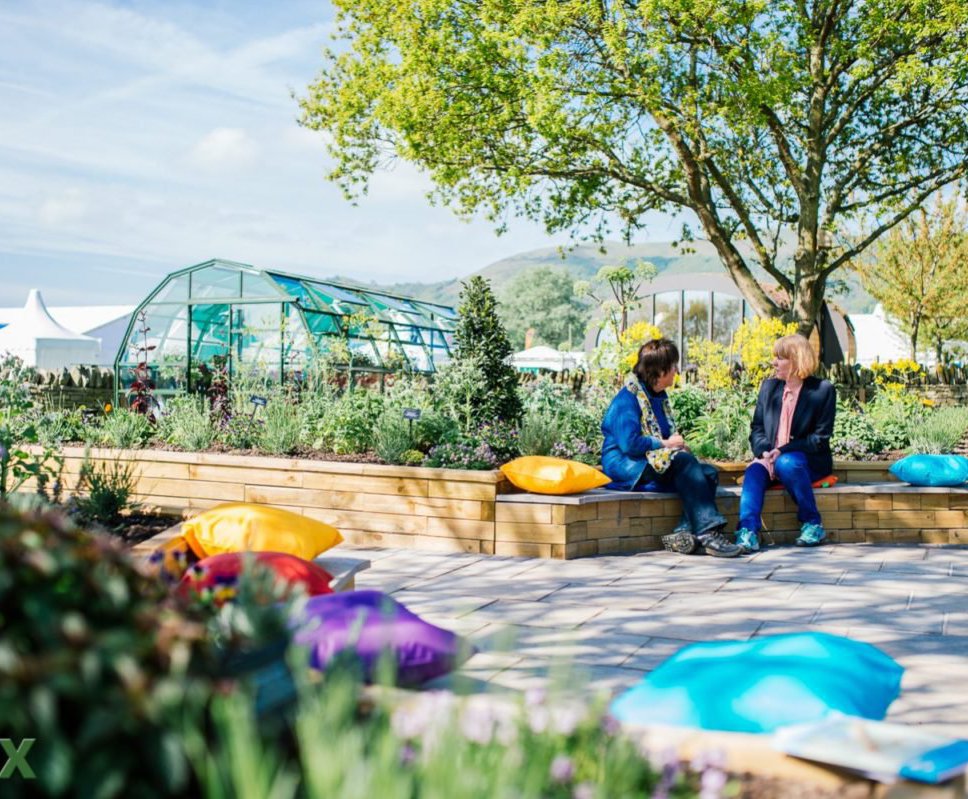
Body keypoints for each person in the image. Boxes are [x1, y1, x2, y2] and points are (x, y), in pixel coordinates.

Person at [601, 338, 742, 558]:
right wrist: (667, 445)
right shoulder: (627, 399)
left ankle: (682, 534)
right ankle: (707, 533)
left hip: (654, 461)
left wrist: (677, 448)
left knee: (708, 473)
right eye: (674, 366)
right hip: (626, 464)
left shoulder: (657, 397)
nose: (677, 370)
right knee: (685, 463)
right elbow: (630, 445)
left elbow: (667, 440)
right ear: (660, 370)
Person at [734, 334, 837, 552]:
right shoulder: (769, 387)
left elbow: (819, 439)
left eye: (780, 358)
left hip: (804, 460)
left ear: (797, 360)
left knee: (787, 463)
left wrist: (782, 451)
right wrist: (764, 452)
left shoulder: (822, 390)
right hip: (770, 457)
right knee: (753, 471)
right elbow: (757, 428)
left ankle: (812, 524)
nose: (774, 362)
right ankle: (748, 532)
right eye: (775, 357)